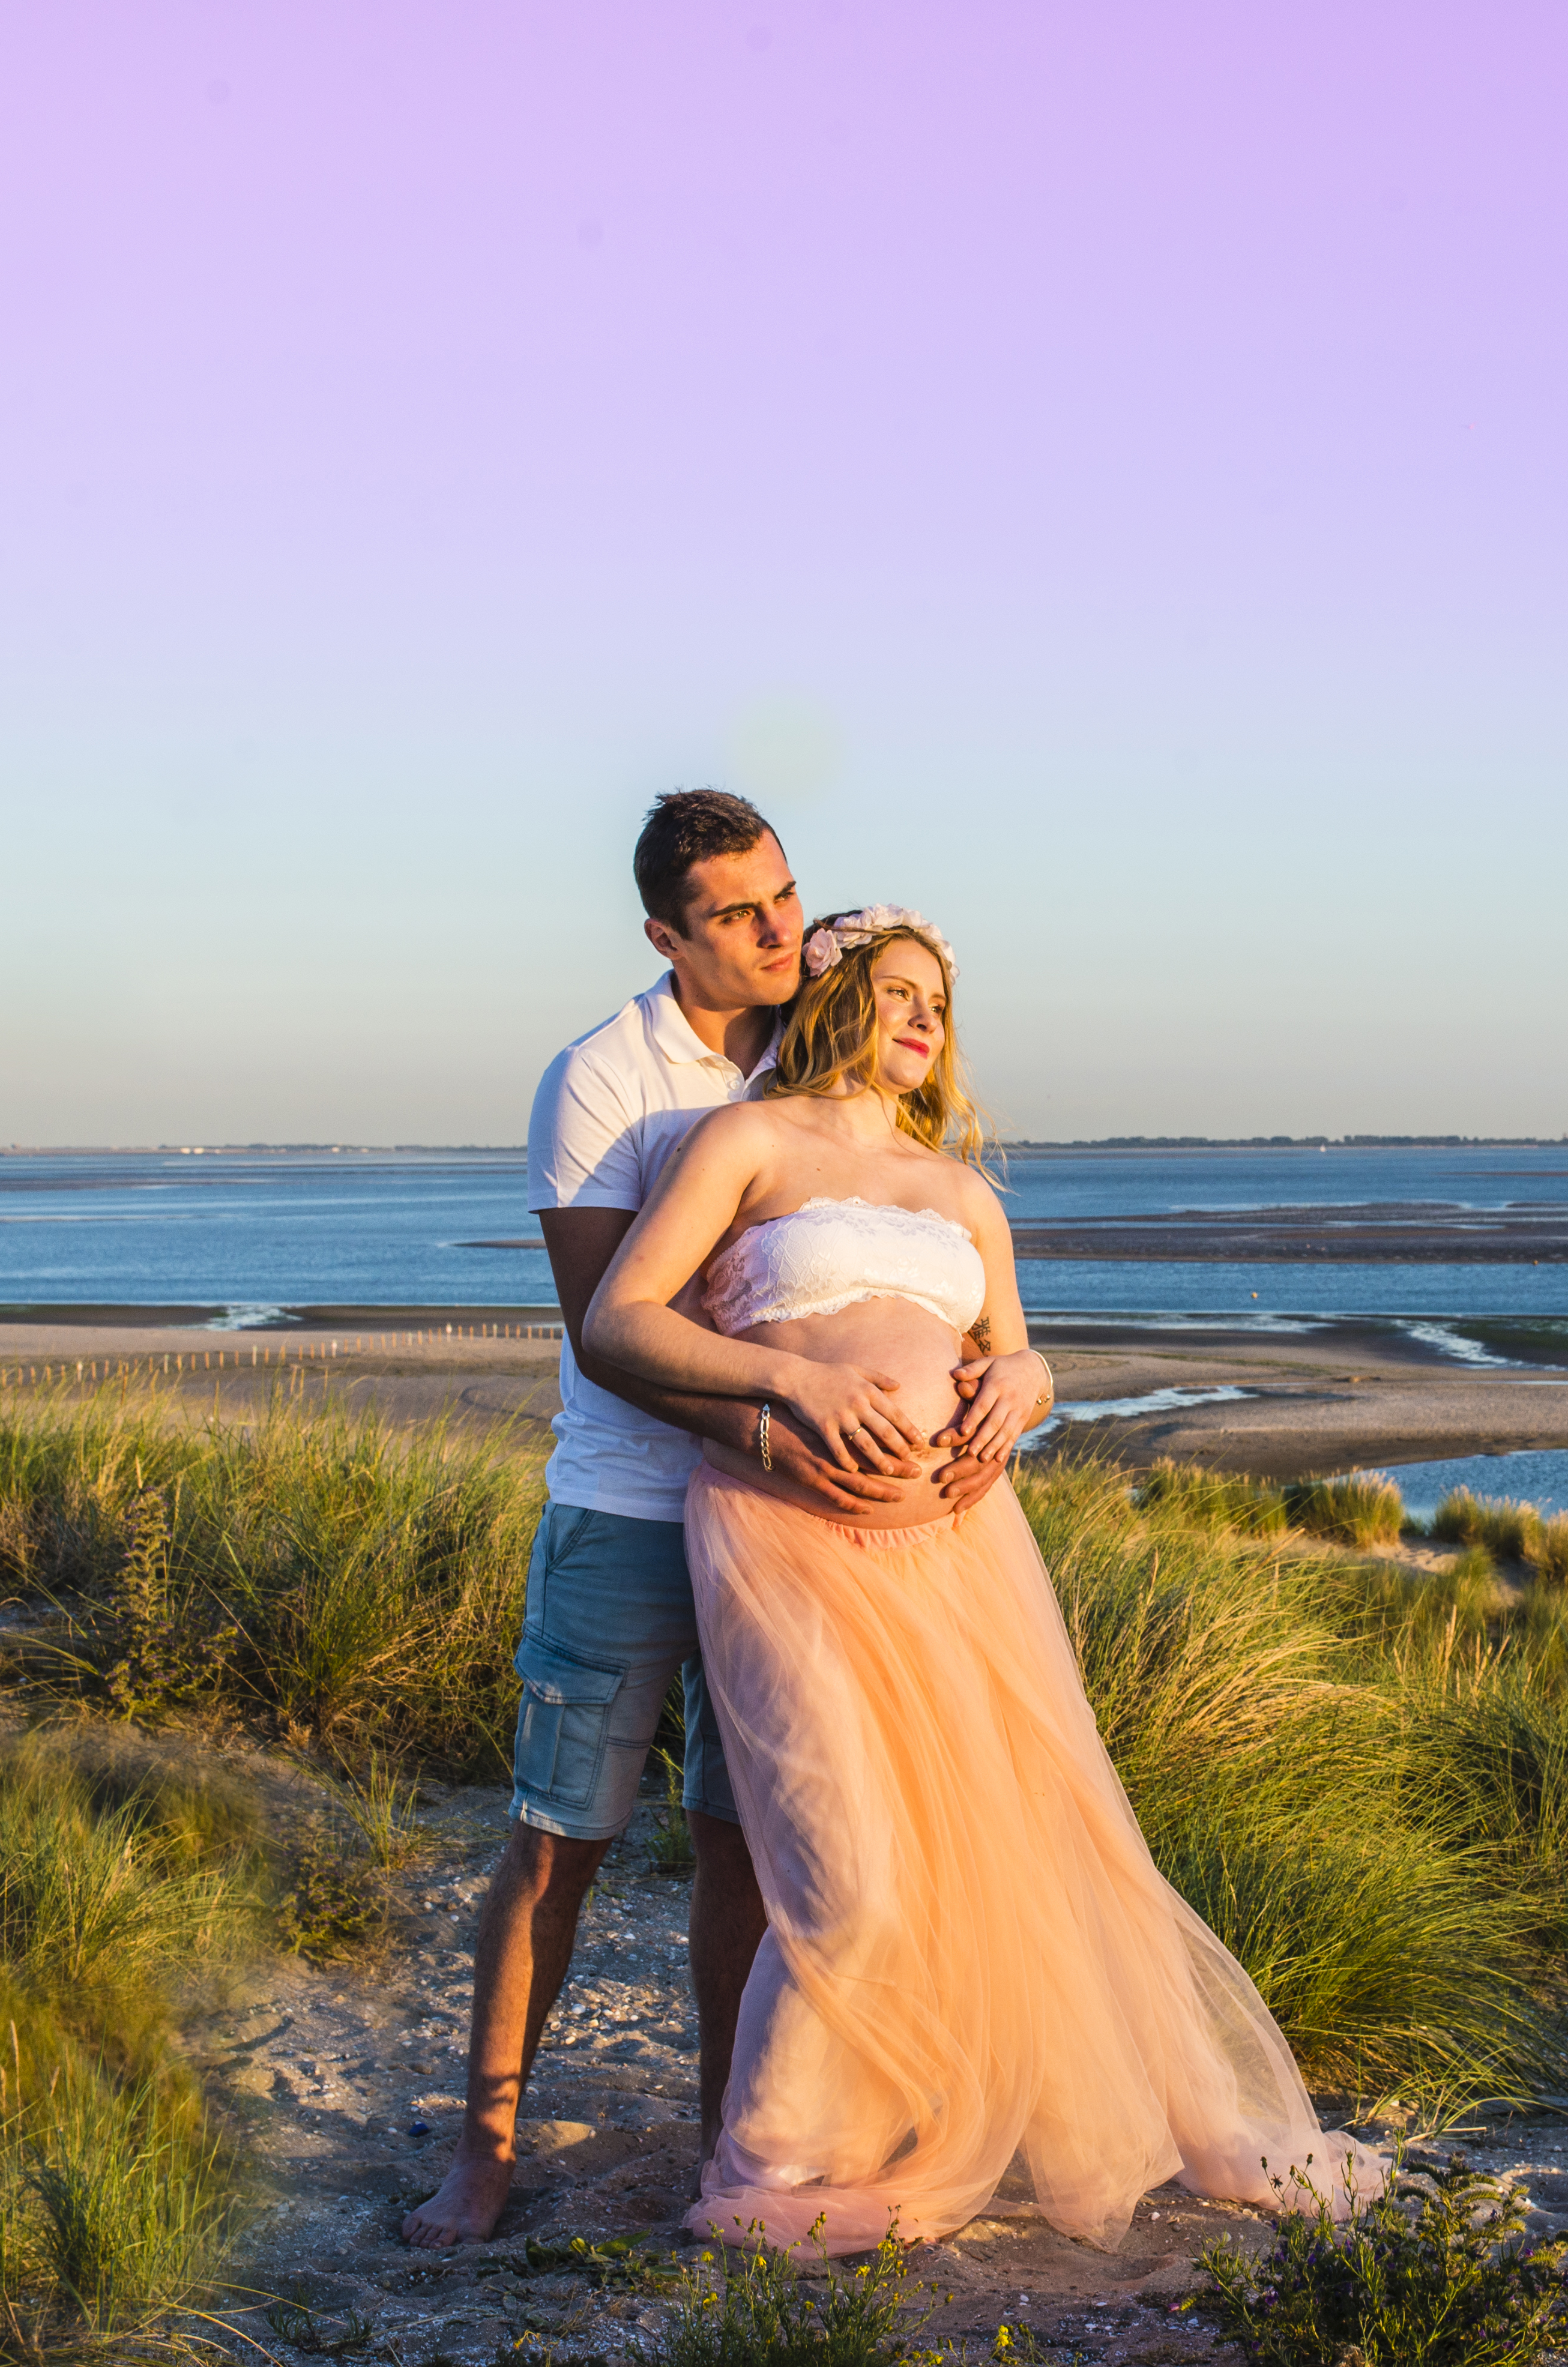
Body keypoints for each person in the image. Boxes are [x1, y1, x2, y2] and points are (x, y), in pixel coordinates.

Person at [583, 904, 1384, 2254]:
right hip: (786, 1537)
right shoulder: (744, 1142)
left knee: (1026, 1844)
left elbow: (1019, 1356)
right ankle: (775, 2167)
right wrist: (785, 1376)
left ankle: (879, 2128)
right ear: (833, 996)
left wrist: (1023, 1375)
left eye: (937, 1005)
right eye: (895, 992)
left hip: (965, 1549)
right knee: (850, 1872)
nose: (920, 1020)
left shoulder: (960, 1191)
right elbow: (620, 1320)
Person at [401, 797, 1006, 2251]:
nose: (780, 929)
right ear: (668, 934)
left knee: (754, 1847)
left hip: (806, 1545)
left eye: (787, 896)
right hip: (632, 1508)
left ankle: (723, 2138)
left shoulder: (821, 1045)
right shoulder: (607, 1080)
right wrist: (777, 1422)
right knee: (562, 1840)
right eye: (740, 914)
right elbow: (612, 1336)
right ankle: (480, 2159)